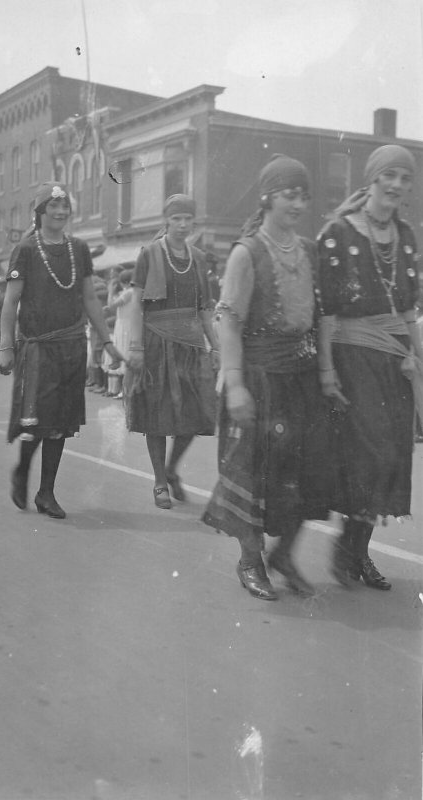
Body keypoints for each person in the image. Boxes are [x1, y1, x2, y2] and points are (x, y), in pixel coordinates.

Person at [202, 155, 332, 600]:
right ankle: (250, 560)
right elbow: (229, 322)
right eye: (287, 194)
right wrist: (235, 383)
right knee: (252, 475)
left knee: (306, 473)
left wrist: (326, 373)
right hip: (258, 379)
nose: (296, 204)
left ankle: (284, 555)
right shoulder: (246, 252)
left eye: (302, 196)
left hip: (300, 379)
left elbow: (320, 319)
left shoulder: (310, 251)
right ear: (268, 197)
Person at [317, 144, 423, 590]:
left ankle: (359, 553)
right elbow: (325, 309)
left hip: (395, 359)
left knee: (393, 455)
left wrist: (418, 358)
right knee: (368, 455)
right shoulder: (338, 233)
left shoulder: (407, 235)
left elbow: (411, 309)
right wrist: (326, 369)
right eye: (389, 176)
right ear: (373, 179)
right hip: (353, 354)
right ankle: (346, 547)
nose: (397, 185)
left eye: (405, 178)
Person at [0, 182, 121, 519]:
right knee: (37, 420)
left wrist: (107, 341)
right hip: (37, 348)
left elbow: (90, 298)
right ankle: (23, 470)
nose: (61, 212)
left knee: (61, 423)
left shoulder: (78, 248)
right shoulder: (26, 249)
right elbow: (11, 301)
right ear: (40, 212)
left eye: (65, 206)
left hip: (72, 346)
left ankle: (46, 492)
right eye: (53, 206)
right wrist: (6, 347)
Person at [125, 194, 219, 509]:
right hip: (155, 342)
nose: (182, 225)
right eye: (176, 218)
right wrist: (136, 347)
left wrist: (216, 347)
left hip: (190, 345)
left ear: (194, 221)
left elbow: (205, 309)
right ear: (166, 220)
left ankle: (171, 467)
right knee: (157, 414)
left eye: (187, 219)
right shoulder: (149, 255)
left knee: (197, 412)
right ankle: (159, 482)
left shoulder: (200, 258)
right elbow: (136, 305)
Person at [103, 268, 134, 399]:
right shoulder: (130, 292)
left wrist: (110, 291)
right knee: (125, 354)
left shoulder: (128, 293)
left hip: (125, 326)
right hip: (125, 324)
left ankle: (126, 389)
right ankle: (125, 389)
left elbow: (111, 306)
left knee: (125, 354)